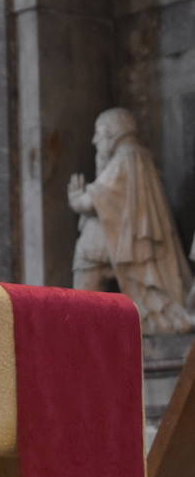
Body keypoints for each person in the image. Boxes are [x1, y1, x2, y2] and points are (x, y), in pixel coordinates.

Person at [69, 107, 192, 334]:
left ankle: (83, 335)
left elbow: (94, 199)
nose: (94, 140)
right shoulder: (138, 157)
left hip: (119, 246)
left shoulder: (126, 158)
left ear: (114, 132)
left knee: (85, 276)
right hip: (127, 243)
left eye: (99, 132)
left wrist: (77, 198)